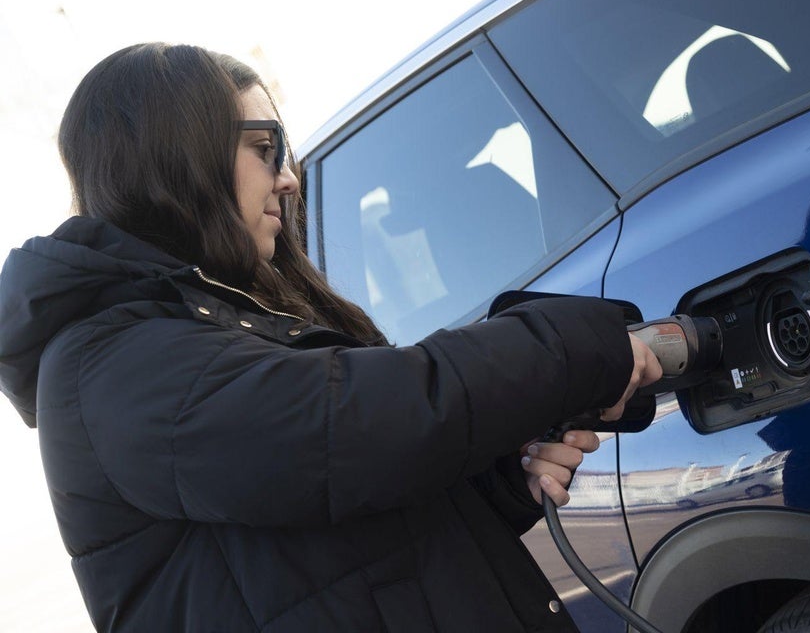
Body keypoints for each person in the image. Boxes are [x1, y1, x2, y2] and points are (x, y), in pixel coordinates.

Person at [0, 43, 662, 633]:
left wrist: (496, 489)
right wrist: (577, 346)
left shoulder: (212, 318)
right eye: (263, 148)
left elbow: (330, 537)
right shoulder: (114, 365)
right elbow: (352, 428)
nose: (287, 177)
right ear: (178, 159)